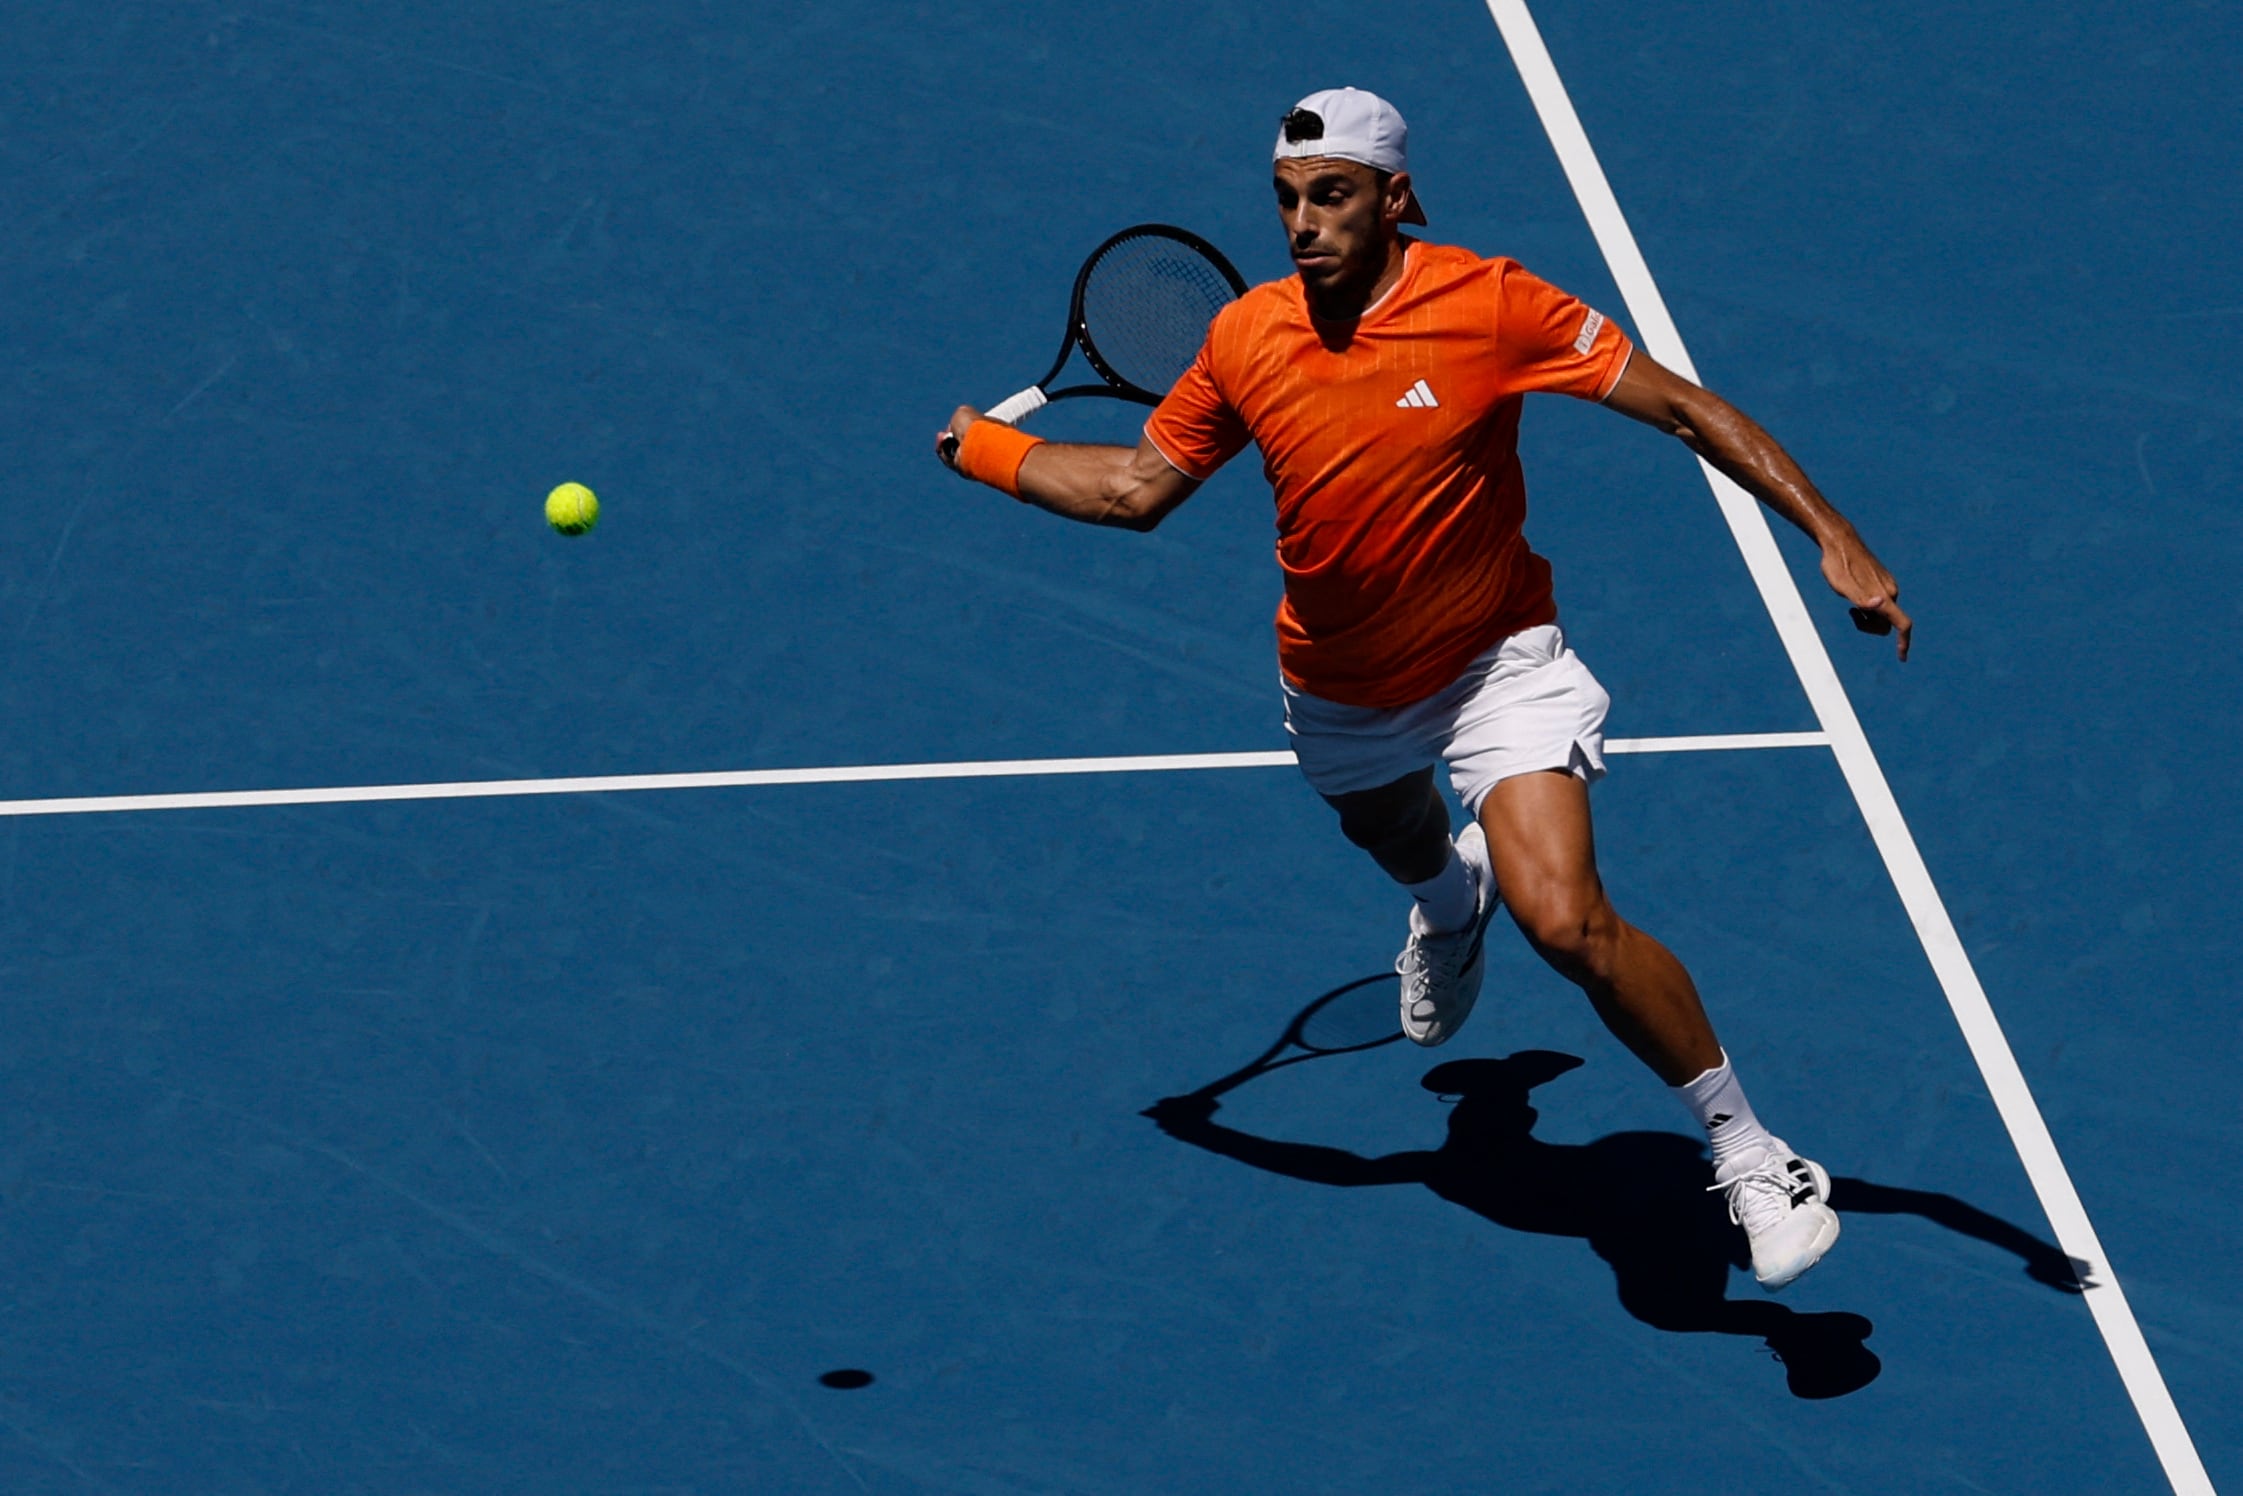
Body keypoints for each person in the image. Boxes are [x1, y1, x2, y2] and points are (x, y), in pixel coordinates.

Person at [935, 87, 1911, 1291]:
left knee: (1567, 920)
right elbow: (1136, 489)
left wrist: (1830, 532)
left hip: (1496, 659)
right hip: (1341, 684)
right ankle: (1449, 905)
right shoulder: (1244, 335)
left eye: (1330, 195)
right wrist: (989, 451)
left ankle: (1750, 1148)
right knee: (1395, 836)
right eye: (1286, 200)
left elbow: (1684, 407)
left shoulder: (1491, 304)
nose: (1302, 222)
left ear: (1394, 196)